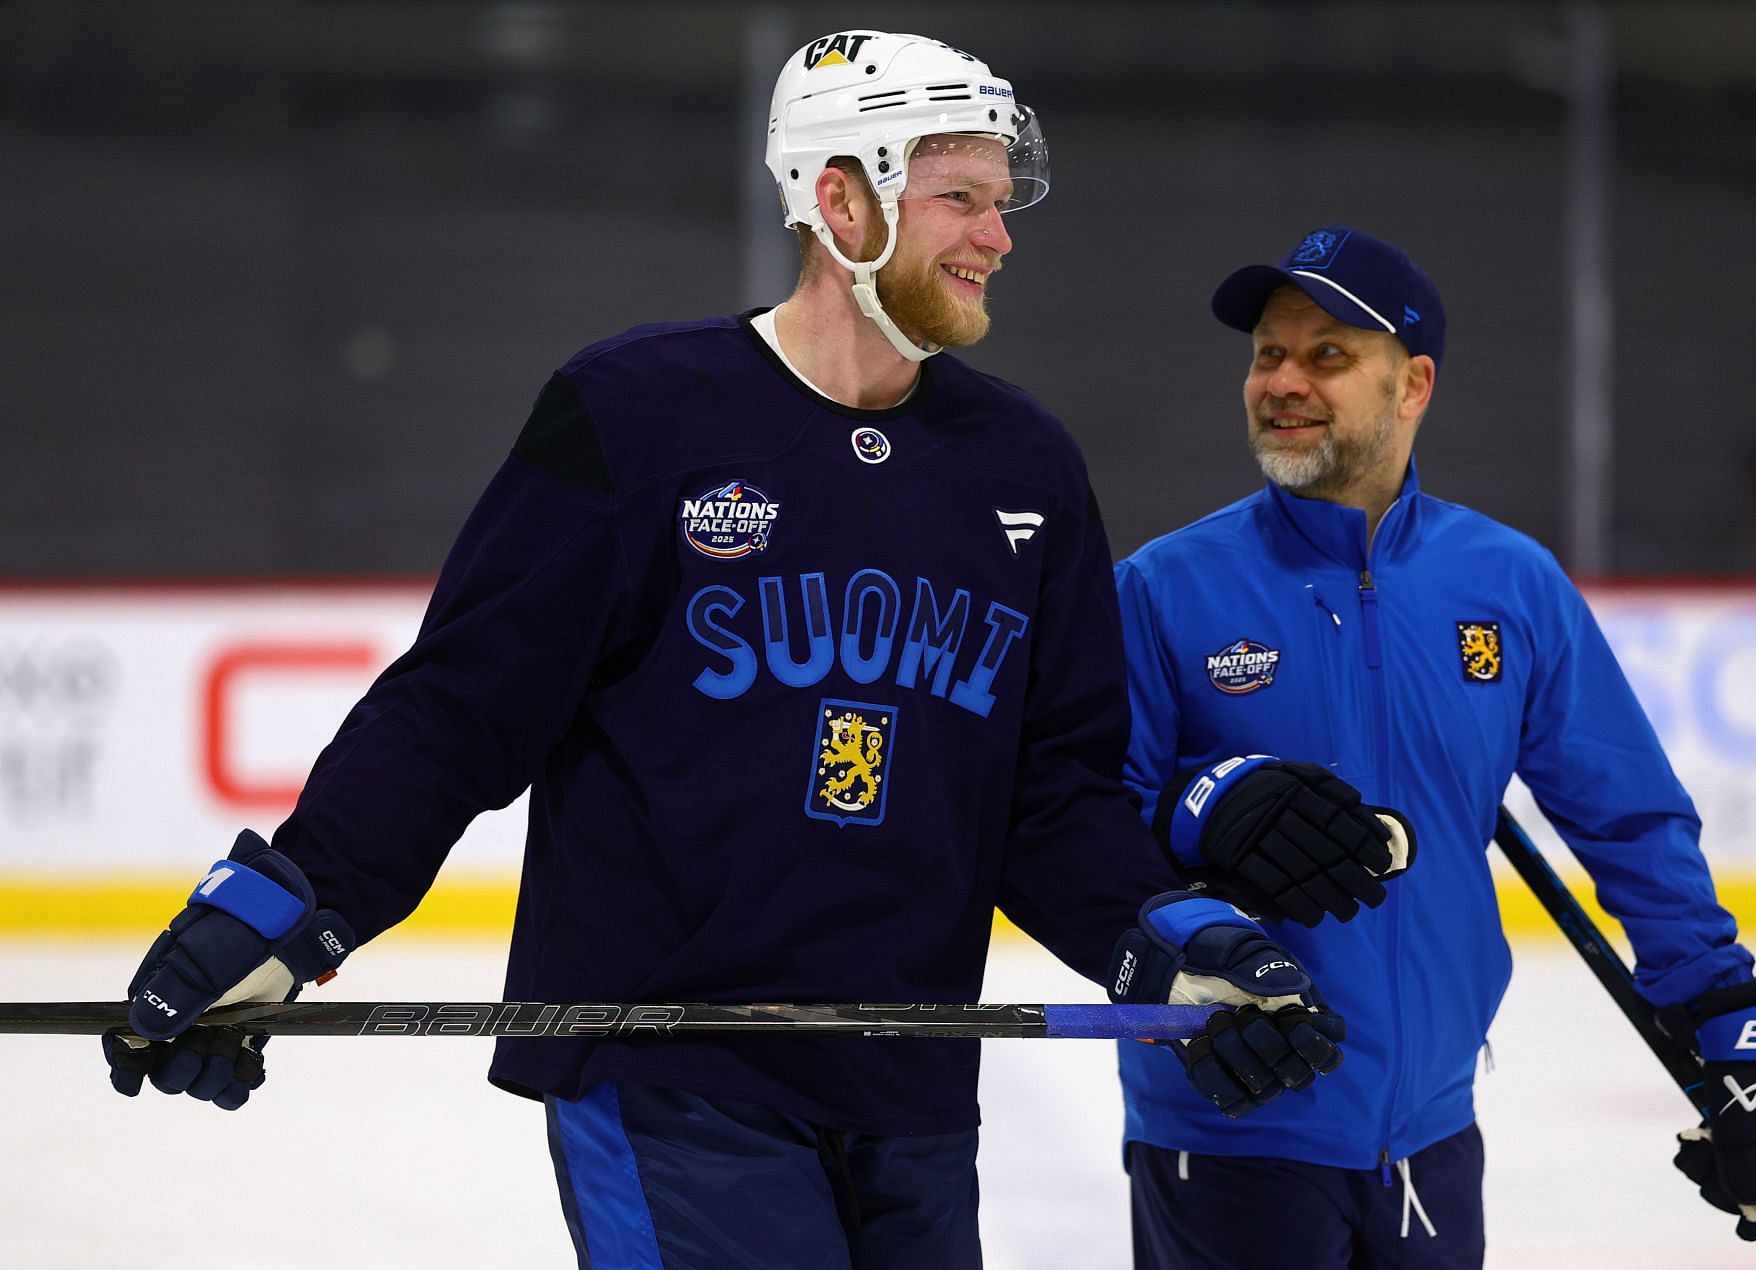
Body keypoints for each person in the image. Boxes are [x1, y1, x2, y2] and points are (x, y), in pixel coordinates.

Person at [97, 35, 1391, 1270]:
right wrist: (287, 905)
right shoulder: (637, 413)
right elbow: (459, 713)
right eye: (960, 200)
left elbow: (1052, 799)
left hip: (916, 1082)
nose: (999, 238)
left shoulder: (1027, 467)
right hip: (669, 1069)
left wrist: (1171, 937)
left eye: (1001, 203)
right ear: (842, 200)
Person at [1111, 224, 1756, 1269]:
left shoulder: (1510, 582)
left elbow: (1627, 816)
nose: (1283, 382)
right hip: (1228, 1127)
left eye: (1327, 355)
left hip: (1433, 1136)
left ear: (1413, 387)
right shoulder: (1165, 587)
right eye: (1269, 353)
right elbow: (1090, 824)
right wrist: (1201, 804)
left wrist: (1716, 1005)